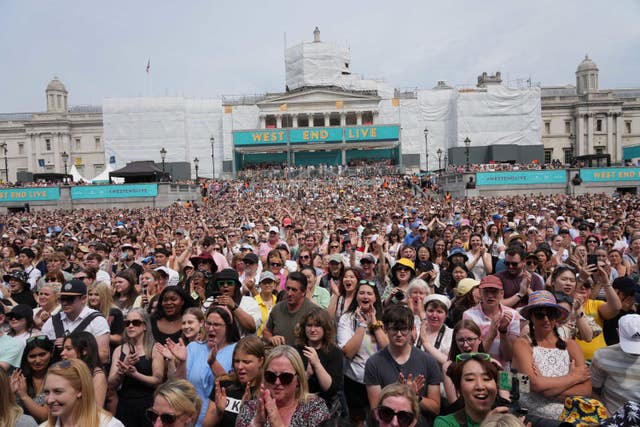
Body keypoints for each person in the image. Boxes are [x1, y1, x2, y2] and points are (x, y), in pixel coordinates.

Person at [512, 291, 591, 419]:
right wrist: (574, 377)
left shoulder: (571, 345)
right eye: (540, 315)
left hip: (569, 417)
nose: (546, 319)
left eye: (551, 314)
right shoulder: (523, 344)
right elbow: (535, 384)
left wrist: (546, 388)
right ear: (531, 317)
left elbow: (586, 390)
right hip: (534, 418)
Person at [365, 304, 442, 427]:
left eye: (404, 329)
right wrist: (399, 394)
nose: (399, 334)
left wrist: (414, 396)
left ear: (412, 329)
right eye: (394, 329)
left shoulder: (428, 361)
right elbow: (376, 409)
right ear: (385, 329)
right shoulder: (374, 363)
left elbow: (435, 408)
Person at [166, 306, 239, 426]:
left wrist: (213, 364)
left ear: (228, 327)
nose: (211, 328)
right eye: (208, 323)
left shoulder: (236, 350)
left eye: (216, 325)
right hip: (190, 420)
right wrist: (182, 362)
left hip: (219, 420)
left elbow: (232, 387)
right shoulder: (193, 348)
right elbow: (179, 386)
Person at [236, 345, 331, 426]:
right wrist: (256, 423)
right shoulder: (251, 408)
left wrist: (278, 424)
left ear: (298, 380)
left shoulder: (314, 408)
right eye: (271, 376)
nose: (277, 382)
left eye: (285, 377)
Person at [337, 278, 388, 425]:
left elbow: (388, 350)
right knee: (357, 421)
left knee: (380, 421)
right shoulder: (347, 318)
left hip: (380, 382)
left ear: (375, 297)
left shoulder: (383, 318)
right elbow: (348, 352)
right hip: (354, 381)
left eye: (369, 294)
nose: (365, 297)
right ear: (356, 296)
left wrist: (374, 323)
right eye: (362, 293)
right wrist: (361, 325)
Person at [108, 308, 165, 427]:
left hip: (148, 405)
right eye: (127, 323)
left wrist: (135, 374)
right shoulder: (120, 350)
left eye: (136, 322)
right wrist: (123, 368)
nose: (130, 326)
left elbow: (158, 381)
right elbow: (111, 384)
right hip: (125, 405)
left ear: (145, 326)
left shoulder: (154, 349)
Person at [40, 279, 110, 364]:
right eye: (62, 299)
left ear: (83, 298)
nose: (65, 303)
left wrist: (73, 348)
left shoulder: (97, 320)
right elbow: (40, 352)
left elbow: (103, 356)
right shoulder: (52, 321)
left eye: (70, 299)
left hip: (85, 373)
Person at [202, 335, 265, 427]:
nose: (240, 367)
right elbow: (206, 425)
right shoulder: (223, 385)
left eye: (246, 362)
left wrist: (247, 413)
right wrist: (219, 412)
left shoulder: (265, 393)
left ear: (260, 361)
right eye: (236, 361)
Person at [42, 359, 125, 427]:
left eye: (58, 391)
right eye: (46, 392)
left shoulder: (109, 425)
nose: (49, 400)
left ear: (80, 390)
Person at [462, 275, 522, 369]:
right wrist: (491, 334)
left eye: (494, 291)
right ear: (480, 293)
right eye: (486, 291)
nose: (490, 295)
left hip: (503, 372)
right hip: (478, 370)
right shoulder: (469, 315)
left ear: (502, 293)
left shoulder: (513, 315)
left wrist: (503, 331)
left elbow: (508, 357)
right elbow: (474, 355)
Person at [294, 307, 344, 412]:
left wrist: (317, 364)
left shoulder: (335, 352)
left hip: (326, 407)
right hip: (299, 405)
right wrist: (307, 374)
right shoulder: (296, 351)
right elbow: (291, 386)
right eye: (309, 325)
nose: (312, 330)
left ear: (325, 328)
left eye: (317, 325)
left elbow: (331, 389)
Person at [434, 353, 504, 427]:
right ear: (459, 387)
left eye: (486, 379)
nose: (480, 386)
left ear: (496, 385)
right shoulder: (445, 423)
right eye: (470, 379)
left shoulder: (510, 419)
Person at [590, 313, 640, 414]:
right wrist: (604, 412)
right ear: (618, 332)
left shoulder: (602, 355)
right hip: (612, 417)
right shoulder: (602, 356)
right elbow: (591, 389)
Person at [262, 271, 318, 346]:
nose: (289, 293)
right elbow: (266, 331)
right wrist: (271, 338)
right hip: (280, 355)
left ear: (303, 292)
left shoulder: (313, 312)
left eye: (294, 290)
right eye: (288, 288)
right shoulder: (277, 308)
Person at [10, 335, 53, 423]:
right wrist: (11, 394)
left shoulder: (59, 378)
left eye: (42, 354)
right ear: (26, 358)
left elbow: (45, 417)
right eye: (32, 356)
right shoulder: (18, 378)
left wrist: (24, 395)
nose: (37, 360)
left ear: (51, 353)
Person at [60, 331, 108, 408]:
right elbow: (47, 394)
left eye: (68, 349)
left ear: (84, 351)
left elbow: (96, 409)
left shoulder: (97, 376)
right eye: (63, 349)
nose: (62, 353)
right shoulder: (62, 368)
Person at [210, 268, 261, 335]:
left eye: (229, 283)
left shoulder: (249, 302)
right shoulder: (211, 301)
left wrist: (233, 306)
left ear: (236, 286)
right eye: (221, 283)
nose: (225, 286)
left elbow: (252, 327)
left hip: (243, 343)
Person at [417, 294, 453, 365]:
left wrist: (425, 343)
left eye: (439, 312)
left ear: (446, 315)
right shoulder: (417, 329)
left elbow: (449, 362)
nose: (434, 315)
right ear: (425, 312)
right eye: (430, 311)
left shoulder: (451, 334)